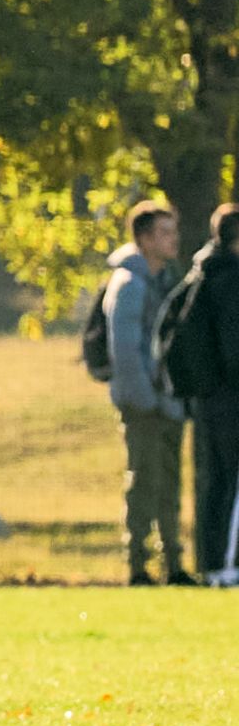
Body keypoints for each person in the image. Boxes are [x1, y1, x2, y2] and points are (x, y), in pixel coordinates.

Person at [98, 200, 187, 586]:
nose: (174, 240)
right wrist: (147, 400)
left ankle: (174, 564)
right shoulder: (130, 285)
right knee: (143, 483)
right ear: (145, 238)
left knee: (170, 483)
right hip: (145, 405)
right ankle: (137, 564)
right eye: (165, 232)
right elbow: (125, 351)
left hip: (169, 401)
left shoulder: (168, 279)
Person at [158, 204, 239, 586]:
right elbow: (233, 346)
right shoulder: (230, 278)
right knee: (228, 481)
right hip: (228, 396)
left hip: (208, 397)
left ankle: (214, 563)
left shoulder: (202, 273)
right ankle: (224, 566)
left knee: (214, 479)